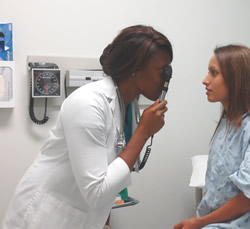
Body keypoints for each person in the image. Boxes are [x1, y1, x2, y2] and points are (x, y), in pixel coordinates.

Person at [2, 25, 173, 229]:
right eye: (162, 70)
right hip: (42, 219)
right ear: (136, 68)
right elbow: (97, 191)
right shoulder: (88, 103)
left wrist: (105, 223)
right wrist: (143, 132)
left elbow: (108, 171)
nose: (167, 78)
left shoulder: (126, 106)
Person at [173, 45, 250, 229]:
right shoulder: (229, 122)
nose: (205, 80)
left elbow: (249, 198)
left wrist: (200, 222)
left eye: (214, 73)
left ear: (237, 79)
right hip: (219, 221)